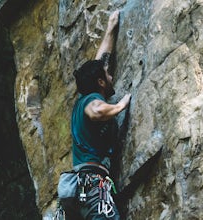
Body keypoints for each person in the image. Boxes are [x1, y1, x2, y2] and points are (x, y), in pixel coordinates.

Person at [61, 10, 131, 219]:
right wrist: (120, 106)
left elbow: (102, 61)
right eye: (108, 75)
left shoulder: (83, 98)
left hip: (79, 189)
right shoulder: (91, 101)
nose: (111, 76)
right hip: (91, 186)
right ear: (100, 82)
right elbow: (97, 110)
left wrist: (111, 26)